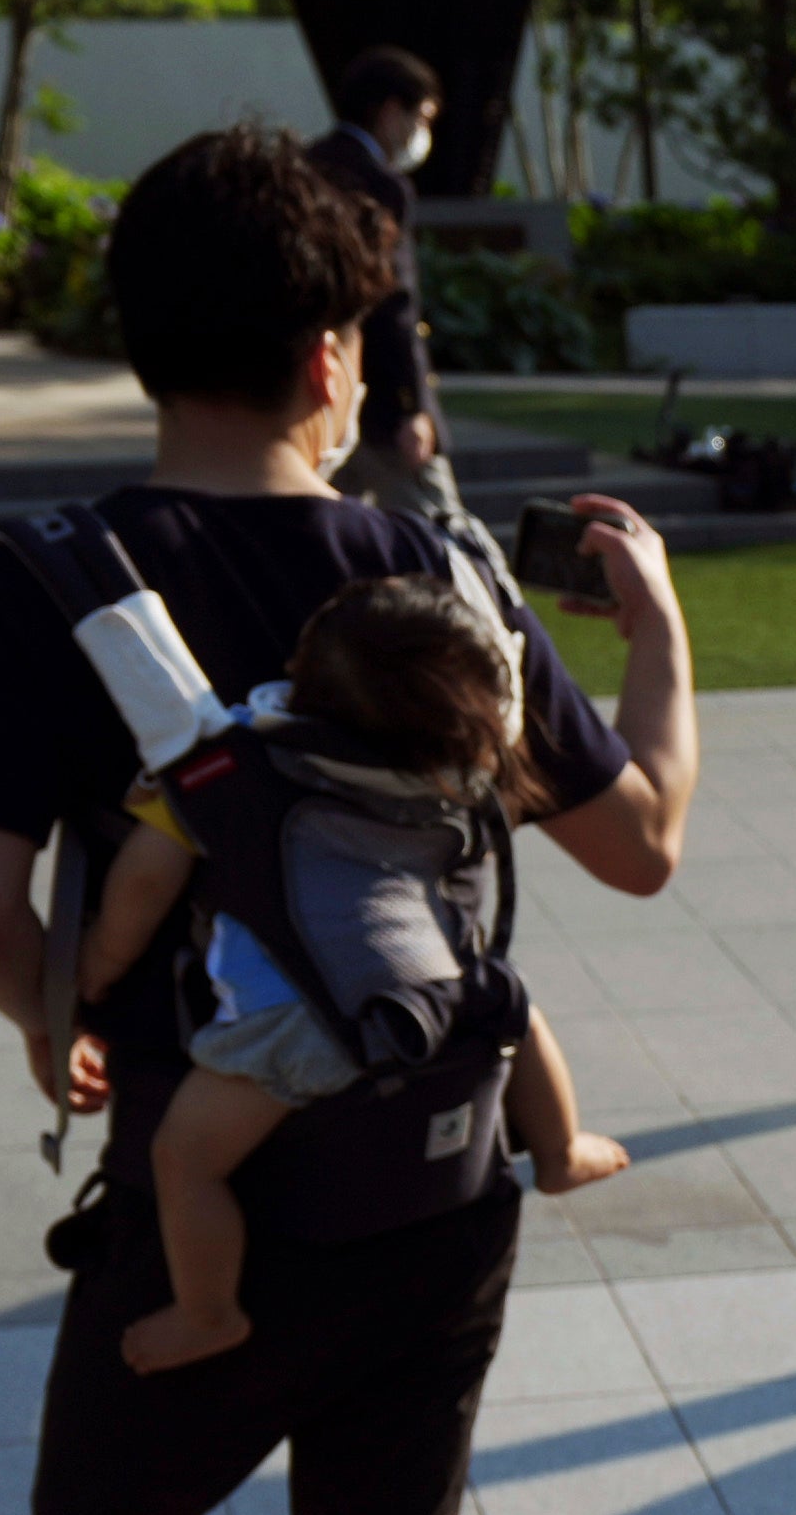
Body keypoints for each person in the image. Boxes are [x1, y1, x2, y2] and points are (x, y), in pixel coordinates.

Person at [0, 121, 701, 1515]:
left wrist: (59, 1028)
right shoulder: (436, 572)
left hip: (228, 1200)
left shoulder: (42, 586)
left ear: (139, 344)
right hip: (447, 1190)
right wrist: (659, 629)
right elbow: (639, 849)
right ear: (339, 350)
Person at [87, 572, 635, 1377]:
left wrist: (98, 966)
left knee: (185, 1160)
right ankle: (560, 1150)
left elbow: (142, 887)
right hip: (447, 986)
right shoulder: (461, 771)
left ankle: (208, 1314)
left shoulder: (227, 773)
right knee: (517, 1010)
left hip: (298, 1018)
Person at [305, 46, 456, 529]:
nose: (422, 134)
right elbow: (394, 305)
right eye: (422, 118)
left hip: (309, 395)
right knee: (439, 538)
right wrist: (414, 407)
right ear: (391, 112)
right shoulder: (380, 185)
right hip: (379, 404)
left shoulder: (300, 169)